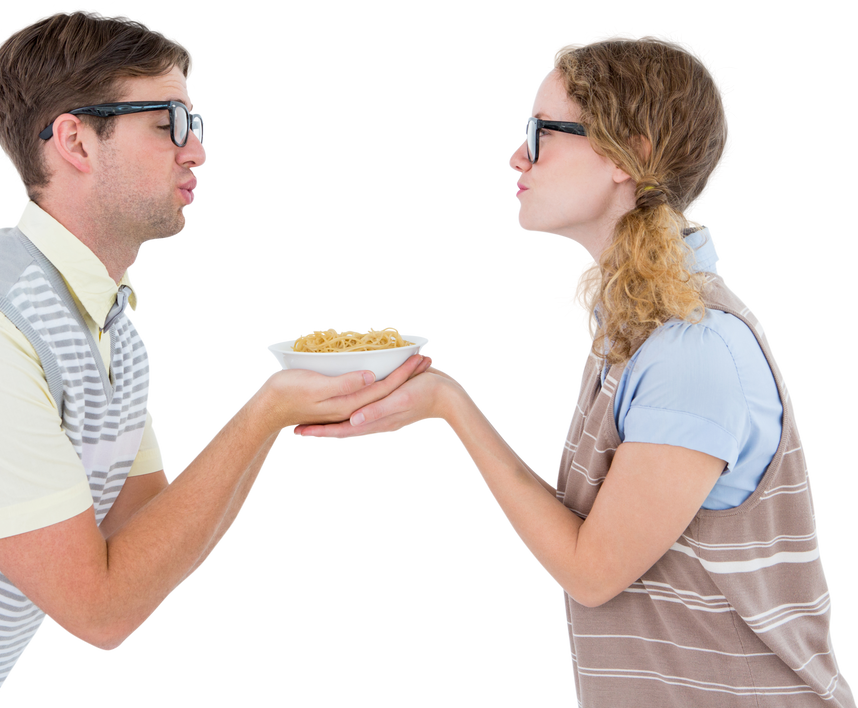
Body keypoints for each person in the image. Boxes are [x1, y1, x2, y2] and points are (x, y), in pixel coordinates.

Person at [0, 6, 431, 706]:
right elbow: (100, 612)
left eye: (197, 123)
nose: (198, 151)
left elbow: (143, 542)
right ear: (76, 142)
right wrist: (263, 412)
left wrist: (276, 419)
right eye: (168, 124)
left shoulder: (110, 326)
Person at [294, 28, 857, 707]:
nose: (513, 157)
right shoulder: (640, 321)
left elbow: (593, 573)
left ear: (630, 154)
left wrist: (452, 408)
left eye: (541, 133)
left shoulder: (693, 347)